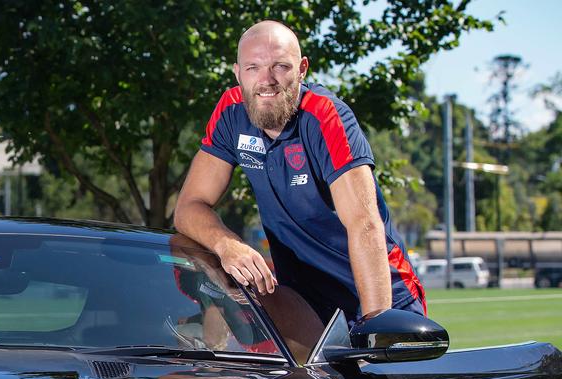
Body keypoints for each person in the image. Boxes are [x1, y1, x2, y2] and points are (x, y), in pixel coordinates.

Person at [174, 20, 426, 358]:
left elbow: (364, 225)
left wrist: (375, 324)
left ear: (302, 68)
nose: (266, 80)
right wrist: (227, 245)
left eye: (280, 66)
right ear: (238, 73)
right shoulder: (231, 112)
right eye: (253, 67)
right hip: (305, 302)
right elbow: (190, 206)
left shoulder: (327, 117)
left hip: (380, 295)